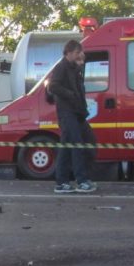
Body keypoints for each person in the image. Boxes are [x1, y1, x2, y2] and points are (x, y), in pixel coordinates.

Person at [48, 39, 97, 194]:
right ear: (69, 52)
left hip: (77, 113)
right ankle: (79, 181)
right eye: (77, 53)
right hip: (66, 113)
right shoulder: (60, 67)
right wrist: (70, 95)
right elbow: (53, 86)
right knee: (75, 144)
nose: (79, 55)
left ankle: (65, 182)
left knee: (87, 141)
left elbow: (79, 88)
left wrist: (80, 65)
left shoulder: (74, 68)